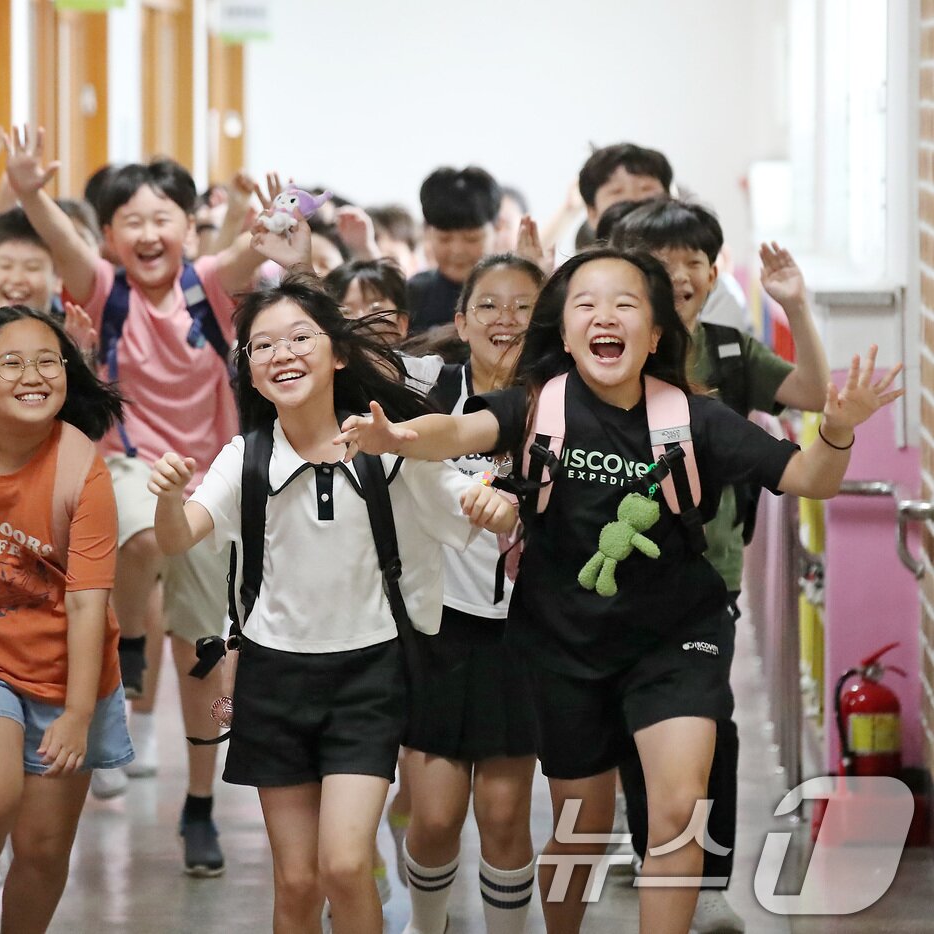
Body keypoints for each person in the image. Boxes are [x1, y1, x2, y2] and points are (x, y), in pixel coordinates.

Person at [336, 248, 902, 934]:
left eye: (625, 304)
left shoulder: (696, 419)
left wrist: (837, 430)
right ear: (567, 334)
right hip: (563, 643)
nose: (605, 316)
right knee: (580, 826)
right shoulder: (537, 406)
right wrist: (397, 436)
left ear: (656, 334)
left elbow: (813, 479)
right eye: (585, 305)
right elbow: (456, 430)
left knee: (676, 808)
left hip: (677, 637)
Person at [150, 275, 515, 934]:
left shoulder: (385, 448)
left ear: (338, 354)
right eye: (263, 346)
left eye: (300, 338)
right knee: (295, 884)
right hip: (271, 679)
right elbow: (180, 536)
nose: (281, 354)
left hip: (368, 679)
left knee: (345, 867)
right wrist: (167, 499)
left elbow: (474, 507)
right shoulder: (245, 457)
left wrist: (498, 503)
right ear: (251, 373)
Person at [4, 124, 265, 872]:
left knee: (206, 648)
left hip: (212, 477)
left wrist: (274, 220)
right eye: (132, 222)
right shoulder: (103, 287)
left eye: (163, 218)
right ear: (111, 234)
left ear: (189, 224)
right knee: (145, 535)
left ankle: (201, 805)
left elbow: (254, 247)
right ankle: (134, 646)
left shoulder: (208, 284)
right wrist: (28, 189)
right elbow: (59, 240)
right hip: (127, 463)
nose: (149, 234)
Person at [609, 200, 829, 934]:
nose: (680, 275)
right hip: (612, 585)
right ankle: (659, 866)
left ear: (712, 269)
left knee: (709, 728)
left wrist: (795, 304)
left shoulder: (732, 353)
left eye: (693, 260)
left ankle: (706, 884)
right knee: (634, 737)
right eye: (662, 262)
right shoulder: (602, 354)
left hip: (709, 579)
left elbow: (816, 396)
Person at [0, 306, 132, 934]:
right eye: (11, 363)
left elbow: (87, 600)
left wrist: (75, 713)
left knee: (42, 850)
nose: (33, 375)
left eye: (48, 361)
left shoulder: (81, 466)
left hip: (68, 670)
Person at [401, 254, 546, 934]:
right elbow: (341, 357)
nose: (506, 320)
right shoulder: (432, 383)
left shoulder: (563, 403)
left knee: (504, 815)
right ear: (459, 321)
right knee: (431, 818)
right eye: (489, 305)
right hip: (437, 631)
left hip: (525, 637)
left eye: (524, 307)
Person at [407, 166, 503, 334]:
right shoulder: (413, 296)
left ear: (497, 229)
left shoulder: (512, 295)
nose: (457, 250)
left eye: (471, 238)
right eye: (445, 238)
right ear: (427, 232)